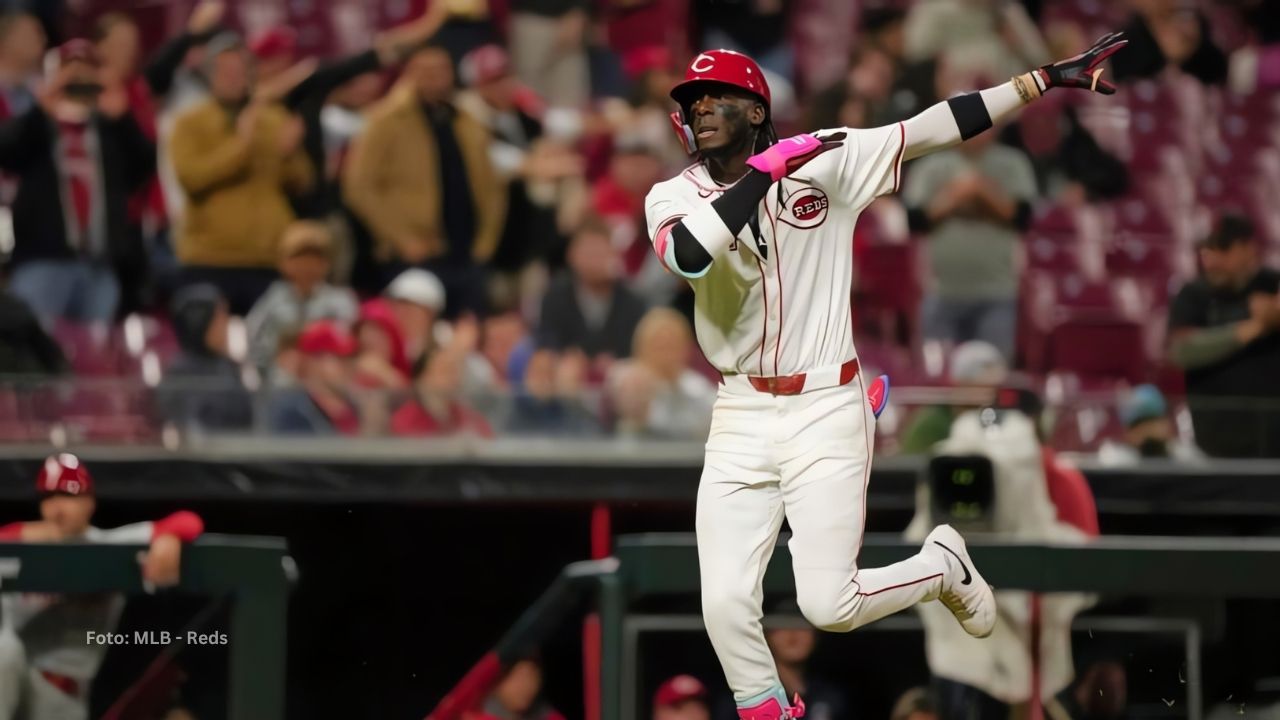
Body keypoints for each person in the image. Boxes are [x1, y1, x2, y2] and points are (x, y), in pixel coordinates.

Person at [643, 35, 1127, 718]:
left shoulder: (824, 159)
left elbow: (935, 125)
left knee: (828, 606)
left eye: (718, 96)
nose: (702, 109)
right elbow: (691, 256)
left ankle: (940, 567)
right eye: (692, 102)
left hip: (824, 405)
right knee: (722, 603)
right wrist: (766, 173)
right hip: (740, 414)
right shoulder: (671, 195)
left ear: (757, 109)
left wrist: (1041, 79)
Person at [0, 454, 204, 720]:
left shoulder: (107, 547)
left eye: (68, 496)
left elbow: (188, 521)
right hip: (11, 679)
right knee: (5, 649)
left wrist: (168, 538)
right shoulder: (17, 545)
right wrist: (20, 534)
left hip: (62, 694)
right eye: (49, 498)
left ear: (89, 501)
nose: (57, 508)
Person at [343, 44, 506, 318]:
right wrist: (400, 239)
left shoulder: (465, 121)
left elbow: (491, 187)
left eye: (442, 69)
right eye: (425, 70)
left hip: (467, 253)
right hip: (415, 255)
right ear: (409, 73)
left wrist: (486, 241)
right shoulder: (385, 121)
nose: (435, 77)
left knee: (468, 334)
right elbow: (358, 188)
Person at [0, 40, 156, 326]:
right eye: (69, 72)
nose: (78, 80)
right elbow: (7, 153)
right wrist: (41, 109)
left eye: (87, 72)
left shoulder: (108, 128)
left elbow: (144, 167)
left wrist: (123, 117)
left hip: (99, 264)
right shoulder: (39, 125)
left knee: (94, 360)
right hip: (42, 261)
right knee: (37, 352)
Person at [169, 34, 313, 315]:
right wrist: (242, 145)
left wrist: (290, 154)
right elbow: (191, 178)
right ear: (210, 76)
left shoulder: (272, 118)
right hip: (211, 259)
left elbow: (302, 183)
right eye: (227, 72)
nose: (235, 79)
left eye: (241, 71)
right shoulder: (189, 122)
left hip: (268, 259)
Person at [903, 100, 1038, 361]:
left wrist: (982, 191)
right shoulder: (931, 166)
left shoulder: (1012, 163)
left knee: (992, 378)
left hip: (997, 293)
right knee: (940, 380)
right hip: (941, 293)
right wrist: (955, 196)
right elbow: (915, 220)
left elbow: (1022, 218)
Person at [1168, 214, 1280, 458]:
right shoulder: (1193, 295)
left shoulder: (1272, 284)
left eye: (1223, 249)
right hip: (1217, 444)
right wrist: (1255, 327)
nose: (1212, 261)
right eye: (1207, 251)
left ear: (1248, 249)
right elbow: (1182, 351)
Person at [245, 221, 359, 375]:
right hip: (280, 376)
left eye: (316, 258)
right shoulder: (273, 299)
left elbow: (351, 344)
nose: (308, 266)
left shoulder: (341, 300)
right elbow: (253, 341)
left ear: (327, 263)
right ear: (284, 262)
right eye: (300, 258)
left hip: (330, 374)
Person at [535, 216, 647, 371]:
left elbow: (637, 348)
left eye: (599, 252)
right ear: (571, 255)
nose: (593, 260)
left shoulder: (632, 302)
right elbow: (546, 342)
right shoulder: (554, 297)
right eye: (588, 252)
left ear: (613, 254)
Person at [156, 283, 253, 433]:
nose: (226, 325)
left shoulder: (232, 367)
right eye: (220, 318)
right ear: (199, 321)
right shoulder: (178, 374)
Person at [608, 307, 715, 438]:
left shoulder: (697, 387)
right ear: (640, 345)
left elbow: (707, 423)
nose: (666, 353)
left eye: (672, 345)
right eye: (658, 344)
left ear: (686, 349)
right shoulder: (623, 377)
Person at [899, 340, 1009, 454]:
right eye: (983, 388)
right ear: (960, 383)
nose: (989, 396)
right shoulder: (931, 423)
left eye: (995, 389)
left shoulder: (1004, 423)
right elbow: (909, 465)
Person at [268, 319, 360, 435]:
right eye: (341, 359)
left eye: (350, 359)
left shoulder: (354, 407)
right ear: (314, 361)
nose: (349, 367)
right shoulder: (293, 410)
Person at [390, 349, 494, 438]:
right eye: (444, 371)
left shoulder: (466, 416)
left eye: (454, 371)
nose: (453, 378)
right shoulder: (406, 420)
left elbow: (487, 440)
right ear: (422, 379)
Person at [1096, 383, 1204, 466]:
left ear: (1167, 424)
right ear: (1126, 432)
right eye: (1138, 424)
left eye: (1152, 421)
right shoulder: (1115, 461)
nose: (1147, 429)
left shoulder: (1187, 457)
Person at [476, 656, 565, 720]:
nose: (527, 686)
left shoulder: (548, 715)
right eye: (519, 677)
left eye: (533, 676)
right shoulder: (477, 715)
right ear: (498, 681)